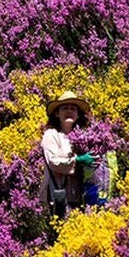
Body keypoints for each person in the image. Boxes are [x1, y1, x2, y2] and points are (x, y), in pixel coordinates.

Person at [40, 90, 98, 218]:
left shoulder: (83, 137)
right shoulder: (51, 134)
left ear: (78, 115)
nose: (69, 111)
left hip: (78, 199)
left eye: (73, 108)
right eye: (65, 108)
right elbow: (53, 162)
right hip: (56, 198)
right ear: (57, 113)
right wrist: (78, 159)